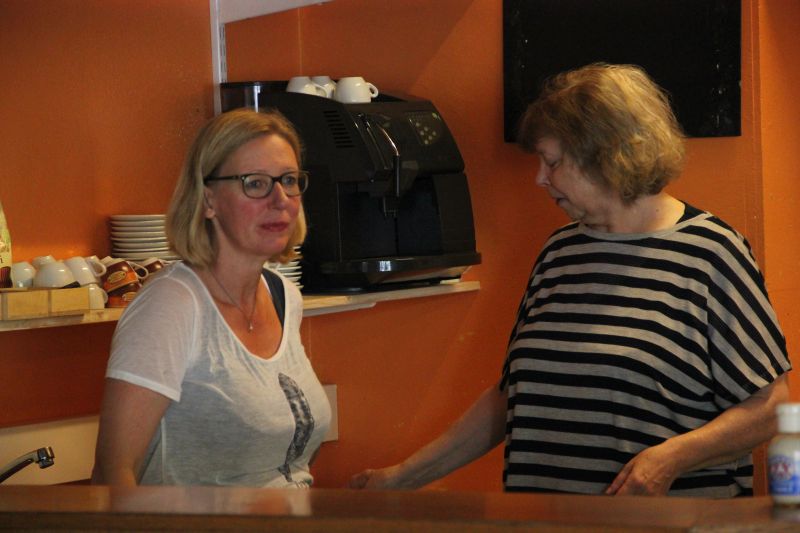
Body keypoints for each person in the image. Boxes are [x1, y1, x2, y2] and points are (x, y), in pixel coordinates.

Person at [349, 63, 791, 497]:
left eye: (553, 161)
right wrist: (401, 478)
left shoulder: (711, 252)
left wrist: (671, 459)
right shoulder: (560, 252)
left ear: (608, 156)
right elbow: (513, 396)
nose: (540, 178)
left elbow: (769, 407)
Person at [92, 108, 331, 487]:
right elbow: (112, 475)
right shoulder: (170, 305)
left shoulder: (283, 295)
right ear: (207, 200)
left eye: (289, 180)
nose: (280, 198)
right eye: (255, 183)